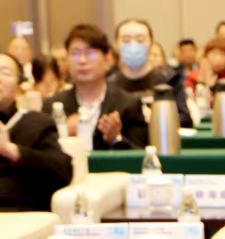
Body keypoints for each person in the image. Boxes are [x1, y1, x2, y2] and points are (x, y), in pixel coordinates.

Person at [44, 23, 148, 151]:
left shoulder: (128, 104)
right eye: (75, 54)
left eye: (90, 53)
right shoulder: (52, 105)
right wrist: (62, 132)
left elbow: (141, 155)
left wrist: (115, 138)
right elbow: (42, 155)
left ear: (107, 59)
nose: (82, 60)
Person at [0, 52, 72, 211]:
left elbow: (62, 171)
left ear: (19, 85)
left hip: (19, 213)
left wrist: (11, 150)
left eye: (5, 72)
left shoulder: (36, 123)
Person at [110, 18, 192, 128]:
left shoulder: (170, 79)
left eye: (140, 40)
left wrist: (158, 117)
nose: (133, 46)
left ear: (151, 44)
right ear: (116, 45)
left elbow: (185, 120)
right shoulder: (109, 84)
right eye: (126, 40)